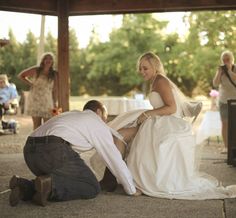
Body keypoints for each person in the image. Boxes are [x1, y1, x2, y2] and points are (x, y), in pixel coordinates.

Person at [102, 52, 236, 200]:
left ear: (155, 66)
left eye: (145, 68)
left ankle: (118, 178)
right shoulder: (155, 80)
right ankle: (115, 177)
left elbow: (171, 108)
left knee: (120, 134)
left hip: (164, 122)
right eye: (140, 68)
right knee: (119, 134)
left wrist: (148, 114)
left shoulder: (160, 81)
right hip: (156, 119)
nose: (141, 72)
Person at [8, 100, 140, 207]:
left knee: (70, 179)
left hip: (30, 153)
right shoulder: (95, 121)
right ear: (98, 112)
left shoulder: (71, 116)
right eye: (105, 118)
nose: (105, 122)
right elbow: (114, 158)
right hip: (51, 150)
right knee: (91, 186)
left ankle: (25, 187)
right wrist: (131, 189)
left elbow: (71, 156)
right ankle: (50, 185)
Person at [18, 52, 58, 130]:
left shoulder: (54, 74)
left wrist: (55, 102)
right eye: (46, 58)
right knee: (37, 126)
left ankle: (46, 142)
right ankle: (35, 141)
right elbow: (21, 75)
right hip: (35, 99)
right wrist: (30, 83)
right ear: (43, 60)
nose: (48, 60)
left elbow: (55, 89)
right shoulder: (36, 70)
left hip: (47, 100)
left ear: (53, 61)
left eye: (50, 58)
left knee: (48, 125)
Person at [213, 50, 236, 153]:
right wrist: (219, 73)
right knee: (225, 124)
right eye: (224, 60)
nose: (226, 61)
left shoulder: (235, 68)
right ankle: (226, 147)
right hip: (223, 101)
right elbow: (215, 84)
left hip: (235, 100)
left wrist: (229, 70)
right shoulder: (220, 70)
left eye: (228, 59)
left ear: (232, 59)